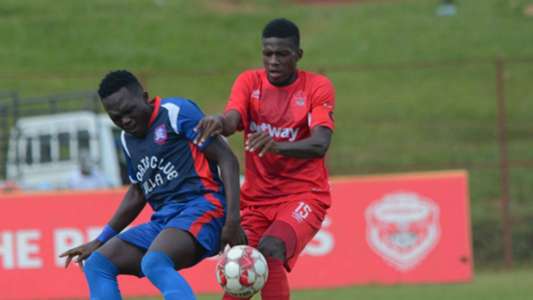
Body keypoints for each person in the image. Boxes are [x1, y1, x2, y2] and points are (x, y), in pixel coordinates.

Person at [60, 70, 247, 300]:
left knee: (154, 261)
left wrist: (232, 220)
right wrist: (100, 240)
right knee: (97, 264)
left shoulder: (176, 113)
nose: (125, 121)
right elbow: (138, 191)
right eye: (116, 117)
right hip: (165, 221)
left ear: (145, 97)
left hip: (204, 206)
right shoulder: (126, 140)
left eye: (129, 111)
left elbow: (226, 158)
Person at [194, 18, 335, 300]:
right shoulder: (249, 81)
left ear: (298, 55)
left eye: (281, 54)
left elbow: (321, 143)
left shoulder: (316, 87)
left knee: (271, 249)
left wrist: (277, 146)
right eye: (267, 53)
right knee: (241, 264)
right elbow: (234, 118)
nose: (273, 61)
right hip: (257, 199)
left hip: (304, 196)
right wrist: (218, 122)